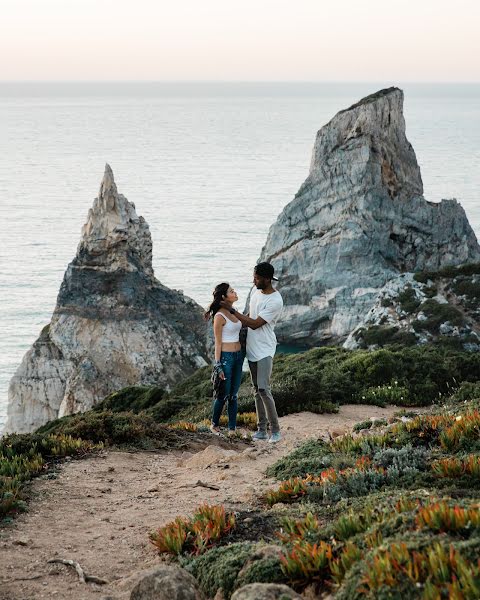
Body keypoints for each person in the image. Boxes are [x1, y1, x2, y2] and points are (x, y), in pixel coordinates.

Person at [221, 262, 283, 443]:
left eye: (256, 278)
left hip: (265, 348)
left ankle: (276, 431)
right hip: (251, 348)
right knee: (256, 390)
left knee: (264, 388)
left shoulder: (275, 300)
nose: (253, 281)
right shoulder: (256, 293)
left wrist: (232, 310)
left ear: (266, 279)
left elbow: (255, 323)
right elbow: (249, 315)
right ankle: (261, 430)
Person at [204, 283, 245, 436]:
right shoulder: (219, 316)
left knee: (234, 395)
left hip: (238, 356)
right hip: (226, 358)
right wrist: (218, 365)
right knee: (223, 395)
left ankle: (232, 429)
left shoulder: (235, 312)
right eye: (231, 291)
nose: (235, 292)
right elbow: (218, 342)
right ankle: (214, 425)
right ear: (224, 297)